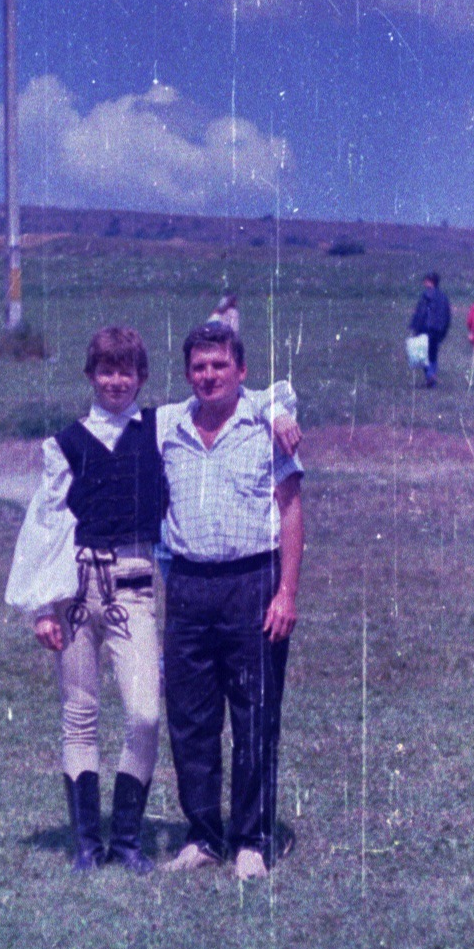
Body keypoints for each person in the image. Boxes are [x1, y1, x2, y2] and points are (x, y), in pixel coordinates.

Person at [4, 326, 299, 873]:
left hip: (139, 589)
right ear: (89, 376)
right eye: (105, 371)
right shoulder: (77, 442)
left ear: (142, 378)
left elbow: (250, 393)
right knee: (85, 714)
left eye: (127, 372)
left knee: (145, 714)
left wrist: (280, 408)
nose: (116, 382)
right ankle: (94, 845)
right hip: (78, 590)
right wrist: (40, 607)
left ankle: (144, 838)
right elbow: (45, 525)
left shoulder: (154, 424)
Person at [159, 322, 304, 882]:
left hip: (254, 583)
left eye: (219, 365)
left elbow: (290, 510)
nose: (208, 375)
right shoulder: (168, 428)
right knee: (190, 719)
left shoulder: (270, 429)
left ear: (240, 371)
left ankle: (251, 840)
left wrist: (286, 591)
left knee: (255, 716)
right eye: (198, 366)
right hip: (190, 588)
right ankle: (203, 835)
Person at [409, 272, 451, 389]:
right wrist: (444, 329)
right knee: (433, 354)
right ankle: (431, 379)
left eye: (425, 280)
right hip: (437, 330)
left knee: (423, 354)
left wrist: (414, 327)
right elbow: (447, 315)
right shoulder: (443, 297)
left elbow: (421, 313)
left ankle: (430, 375)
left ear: (430, 282)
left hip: (425, 328)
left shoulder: (426, 296)